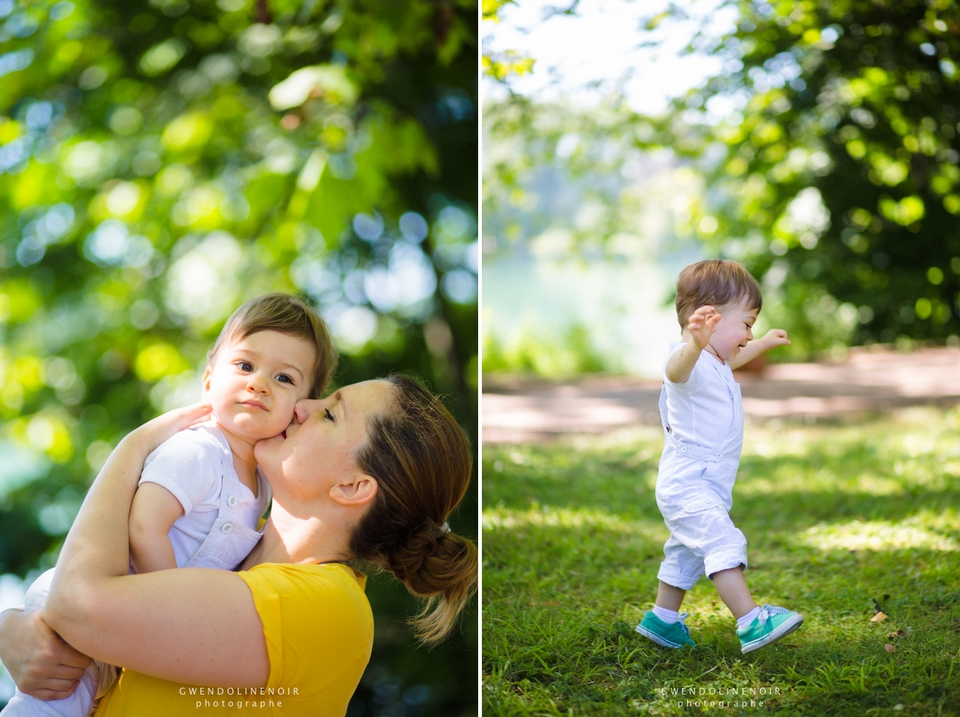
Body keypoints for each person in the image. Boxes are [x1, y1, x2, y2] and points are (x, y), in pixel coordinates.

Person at [0, 374, 476, 716]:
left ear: (352, 488)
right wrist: (13, 630)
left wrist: (133, 448)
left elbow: (79, 606)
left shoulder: (329, 608)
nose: (303, 406)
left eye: (330, 413)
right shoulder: (221, 567)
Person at [1, 293, 336, 717]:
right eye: (245, 365)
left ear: (300, 409)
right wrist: (170, 610)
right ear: (210, 379)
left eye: (284, 378)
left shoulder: (263, 488)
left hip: (123, 622)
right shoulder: (199, 450)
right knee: (54, 703)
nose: (259, 383)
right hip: (90, 599)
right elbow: (145, 526)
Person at [635, 258, 803, 654]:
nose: (749, 334)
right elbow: (675, 372)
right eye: (746, 324)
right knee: (723, 543)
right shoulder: (686, 360)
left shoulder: (715, 359)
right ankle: (751, 620)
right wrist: (694, 342)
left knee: (684, 554)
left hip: (703, 483)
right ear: (709, 318)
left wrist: (761, 345)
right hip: (688, 485)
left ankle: (662, 620)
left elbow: (734, 359)